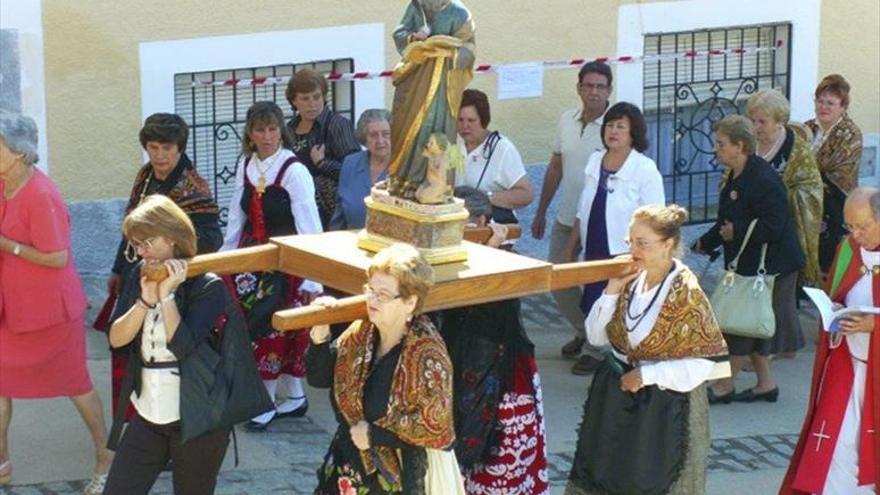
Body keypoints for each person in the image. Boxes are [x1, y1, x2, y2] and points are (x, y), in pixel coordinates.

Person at [565, 204, 729, 495]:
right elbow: (596, 337)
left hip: (667, 409)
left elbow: (706, 363)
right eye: (630, 242)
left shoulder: (686, 292)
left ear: (668, 244)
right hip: (617, 399)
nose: (633, 250)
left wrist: (647, 375)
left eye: (642, 243)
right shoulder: (631, 278)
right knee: (606, 477)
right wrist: (612, 289)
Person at [0, 111, 112, 494]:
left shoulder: (41, 194)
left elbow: (57, 258)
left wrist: (8, 245)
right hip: (11, 309)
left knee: (75, 384)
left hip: (50, 313)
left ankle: (104, 456)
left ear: (19, 152)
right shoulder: (4, 183)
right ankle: (1, 463)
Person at [102, 196, 235, 494]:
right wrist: (144, 301)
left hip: (197, 418)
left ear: (172, 237)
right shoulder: (139, 274)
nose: (141, 252)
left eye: (147, 243)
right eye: (136, 245)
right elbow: (116, 339)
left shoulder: (208, 285)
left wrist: (166, 297)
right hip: (149, 414)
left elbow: (182, 347)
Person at [306, 244, 462, 494]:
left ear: (410, 302)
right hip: (346, 467)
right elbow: (319, 378)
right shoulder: (361, 333)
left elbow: (434, 428)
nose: (372, 299)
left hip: (395, 478)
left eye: (384, 295)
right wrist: (320, 337)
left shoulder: (428, 354)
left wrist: (374, 435)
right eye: (370, 289)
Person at [99, 112, 222, 416]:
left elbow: (211, 238)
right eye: (153, 148)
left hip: (177, 284)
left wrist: (169, 256)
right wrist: (118, 268)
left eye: (167, 148)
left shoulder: (194, 186)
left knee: (167, 348)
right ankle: (135, 414)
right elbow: (132, 228)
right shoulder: (145, 176)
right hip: (138, 274)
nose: (159, 155)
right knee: (127, 344)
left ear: (180, 148)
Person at [222, 101, 323, 429]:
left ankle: (264, 401)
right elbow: (236, 214)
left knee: (274, 329)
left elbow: (309, 224)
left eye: (272, 129)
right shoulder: (245, 165)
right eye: (259, 130)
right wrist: (227, 254)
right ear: (250, 134)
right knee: (254, 326)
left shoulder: (294, 170)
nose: (266, 137)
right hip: (254, 259)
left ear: (281, 131)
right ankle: (294, 397)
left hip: (286, 262)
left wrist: (312, 276)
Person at [441, 186, 549, 494]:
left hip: (502, 379)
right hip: (455, 375)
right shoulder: (443, 257)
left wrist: (489, 254)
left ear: (481, 221)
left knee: (501, 473)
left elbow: (495, 315)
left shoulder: (506, 259)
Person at [694, 115, 804, 404]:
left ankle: (724, 385)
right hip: (752, 264)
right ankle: (766, 385)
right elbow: (727, 220)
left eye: (721, 144)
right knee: (751, 324)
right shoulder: (737, 173)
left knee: (741, 327)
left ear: (740, 146)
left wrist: (737, 231)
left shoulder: (763, 179)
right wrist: (705, 242)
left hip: (774, 266)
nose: (716, 149)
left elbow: (775, 224)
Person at [780, 187, 879, 495]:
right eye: (850, 226)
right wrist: (835, 310)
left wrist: (874, 324)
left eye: (862, 226)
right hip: (847, 367)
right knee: (835, 447)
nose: (855, 234)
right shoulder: (848, 249)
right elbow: (838, 292)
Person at [564, 102, 665, 375]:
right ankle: (597, 347)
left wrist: (647, 256)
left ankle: (608, 355)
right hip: (594, 241)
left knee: (621, 302)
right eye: (610, 125)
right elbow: (583, 206)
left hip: (625, 249)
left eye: (621, 126)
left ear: (634, 133)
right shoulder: (596, 160)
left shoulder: (644, 168)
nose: (613, 131)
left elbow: (656, 218)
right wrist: (572, 243)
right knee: (593, 297)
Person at [531, 62, 613, 374]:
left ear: (609, 90)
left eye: (600, 87)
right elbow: (555, 167)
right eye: (589, 86)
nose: (594, 92)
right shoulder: (567, 119)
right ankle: (585, 331)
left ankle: (596, 348)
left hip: (599, 223)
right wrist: (541, 211)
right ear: (579, 88)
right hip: (567, 217)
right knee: (557, 279)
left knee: (596, 285)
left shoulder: (615, 126)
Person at [745, 89, 822, 357]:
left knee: (779, 292)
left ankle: (772, 349)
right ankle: (781, 346)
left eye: (762, 122)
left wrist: (780, 195)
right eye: (753, 120)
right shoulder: (749, 144)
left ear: (779, 122)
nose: (756, 127)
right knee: (759, 290)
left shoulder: (796, 148)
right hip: (752, 226)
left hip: (784, 228)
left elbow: (811, 188)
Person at [388, 0, 475, 199]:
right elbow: (399, 33)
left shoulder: (459, 13)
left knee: (433, 129)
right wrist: (413, 38)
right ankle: (401, 179)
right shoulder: (417, 5)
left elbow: (470, 49)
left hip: (442, 85)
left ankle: (434, 185)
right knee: (405, 125)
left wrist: (448, 52)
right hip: (414, 76)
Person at [285, 69, 361, 228]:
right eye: (305, 98)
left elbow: (355, 173)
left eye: (316, 97)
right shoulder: (289, 129)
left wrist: (322, 163)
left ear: (324, 96)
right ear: (294, 101)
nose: (312, 104)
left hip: (331, 215)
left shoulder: (338, 125)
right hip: (296, 210)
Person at [806, 74, 863, 274]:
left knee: (828, 258)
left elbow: (836, 171)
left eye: (830, 103)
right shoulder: (807, 128)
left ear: (843, 107)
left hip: (834, 203)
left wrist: (805, 171)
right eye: (820, 101)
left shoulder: (851, 134)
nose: (823, 107)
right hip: (806, 200)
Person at [455, 89, 533, 223]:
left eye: (471, 120)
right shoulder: (454, 142)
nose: (465, 126)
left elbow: (526, 195)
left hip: (492, 227)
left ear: (483, 120)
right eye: (460, 120)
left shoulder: (502, 149)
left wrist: (486, 198)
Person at [329, 109, 392, 230]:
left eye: (386, 134)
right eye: (373, 135)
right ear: (364, 139)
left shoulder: (404, 167)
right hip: (352, 238)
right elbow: (340, 212)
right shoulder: (350, 164)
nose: (380, 141)